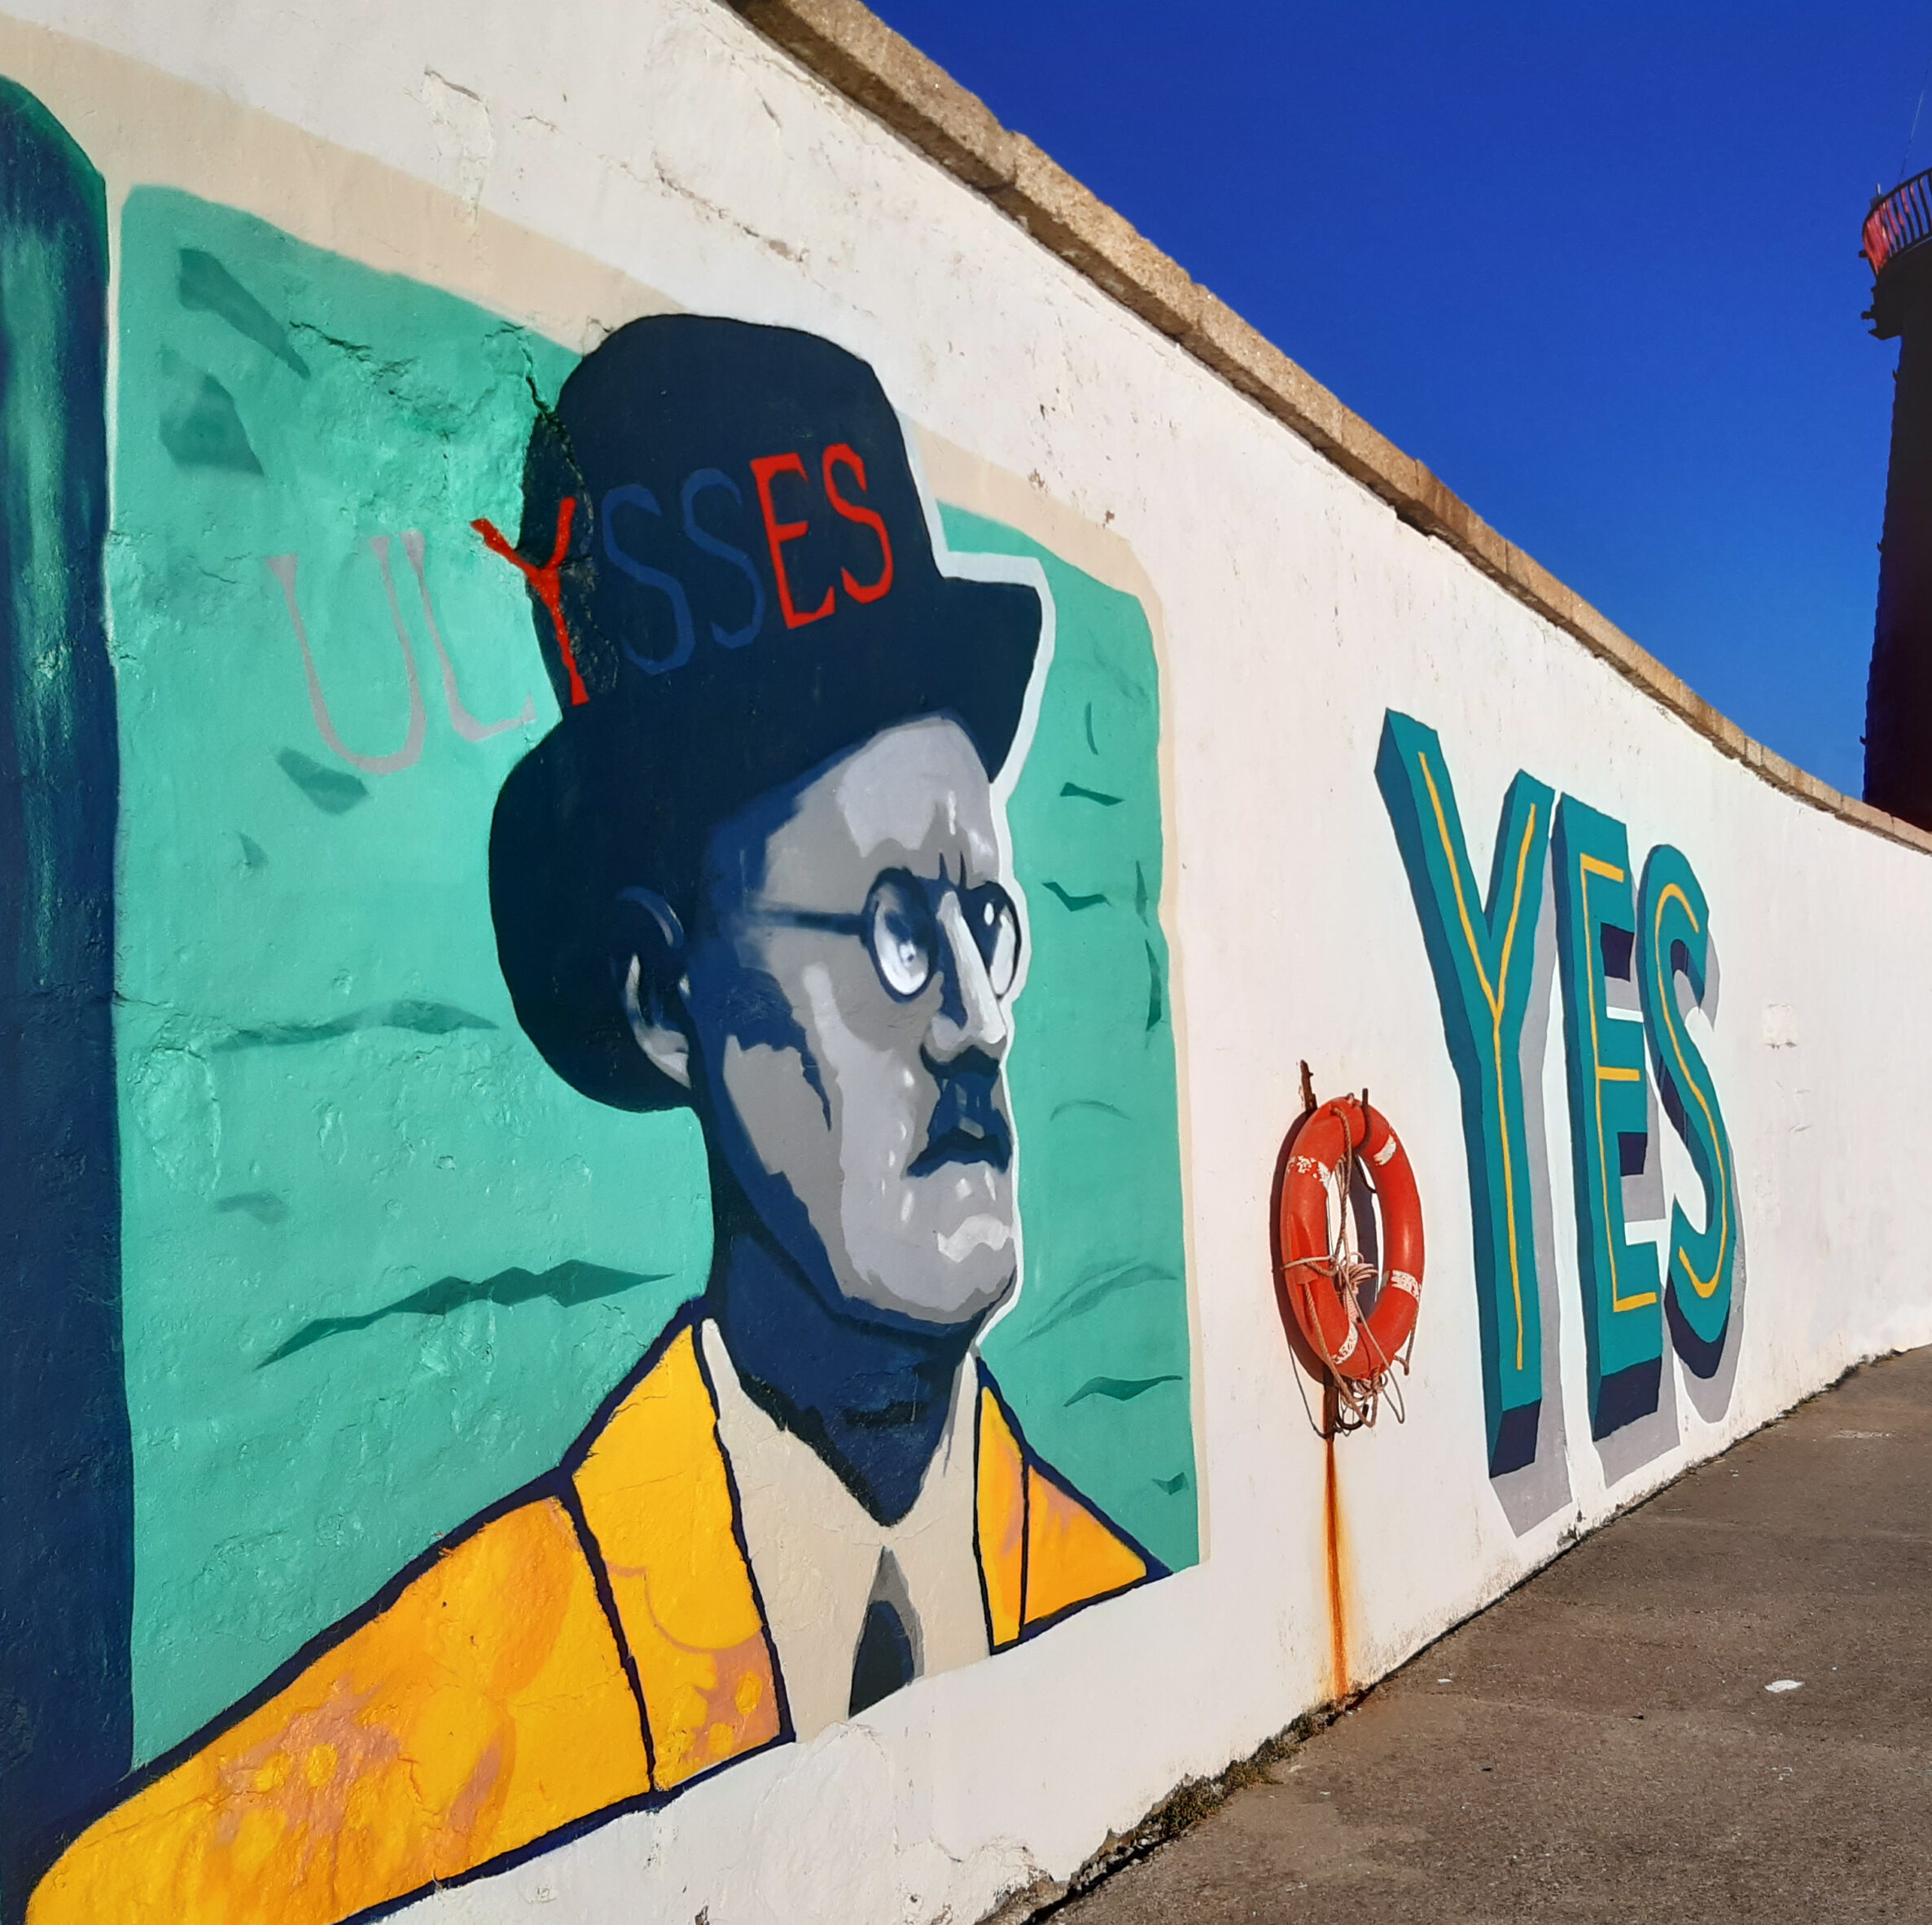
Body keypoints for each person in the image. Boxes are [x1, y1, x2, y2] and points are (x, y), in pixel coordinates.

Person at [32, 317, 1159, 1925]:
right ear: (662, 995)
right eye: (899, 933)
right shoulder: (345, 1816)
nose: (980, 1018)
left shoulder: (1110, 1598)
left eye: (991, 927)